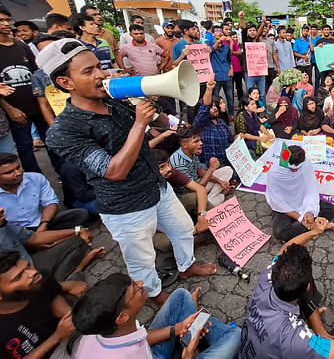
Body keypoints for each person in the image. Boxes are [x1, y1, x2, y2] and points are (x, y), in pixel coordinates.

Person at [41, 39, 215, 306]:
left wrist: (164, 116)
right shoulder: (63, 131)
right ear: (66, 83)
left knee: (182, 229)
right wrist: (139, 124)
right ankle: (154, 294)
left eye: (99, 67)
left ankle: (186, 265)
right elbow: (114, 171)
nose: (101, 75)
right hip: (126, 206)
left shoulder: (114, 100)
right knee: (141, 258)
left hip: (157, 187)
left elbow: (159, 119)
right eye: (88, 72)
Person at [240, 218, 334, 359]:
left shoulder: (267, 276)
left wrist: (314, 231)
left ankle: (322, 333)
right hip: (284, 339)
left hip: (257, 346)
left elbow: (284, 249)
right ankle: (329, 338)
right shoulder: (295, 338)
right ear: (308, 288)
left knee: (299, 276)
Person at [72, 274, 240, 359]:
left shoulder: (99, 331)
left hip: (149, 354)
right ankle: (191, 347)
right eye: (136, 289)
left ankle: (189, 339)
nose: (141, 284)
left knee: (181, 296)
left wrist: (177, 328)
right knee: (236, 336)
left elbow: (137, 338)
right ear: (122, 316)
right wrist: (188, 355)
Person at [0, 251, 87, 358]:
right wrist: (57, 337)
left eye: (28, 266)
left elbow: (53, 294)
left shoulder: (40, 279)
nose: (32, 273)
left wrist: (68, 314)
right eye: (18, 277)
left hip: (65, 334)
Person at [0, 8, 54, 173]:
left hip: (38, 105)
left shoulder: (22, 46)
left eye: (8, 20)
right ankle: (35, 183)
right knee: (25, 150)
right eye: (1, 20)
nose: (6, 24)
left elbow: (37, 71)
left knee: (53, 143)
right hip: (16, 112)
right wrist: (10, 109)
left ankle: (68, 182)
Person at [0, 206, 103, 282]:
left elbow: (33, 237)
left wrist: (77, 230)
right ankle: (75, 272)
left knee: (77, 241)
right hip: (20, 280)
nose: (1, 209)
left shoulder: (3, 225)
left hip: (30, 264)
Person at [265, 146, 334, 241]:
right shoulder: (275, 173)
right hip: (285, 208)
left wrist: (310, 211)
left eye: (298, 168)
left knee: (331, 209)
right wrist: (300, 218)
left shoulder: (306, 164)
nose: (295, 171)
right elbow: (277, 201)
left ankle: (309, 226)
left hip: (303, 200)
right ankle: (320, 226)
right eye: (292, 169)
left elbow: (311, 189)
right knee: (280, 232)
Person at [0, 153, 88, 230]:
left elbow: (50, 203)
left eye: (18, 167)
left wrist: (44, 224)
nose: (18, 173)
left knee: (80, 214)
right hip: (14, 233)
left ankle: (46, 240)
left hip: (41, 223)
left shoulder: (36, 178)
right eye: (9, 172)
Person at [170, 126, 233, 207]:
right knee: (210, 203)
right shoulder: (178, 163)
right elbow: (195, 189)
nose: (201, 143)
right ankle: (219, 196)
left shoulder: (191, 152)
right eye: (196, 141)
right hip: (190, 195)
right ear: (185, 145)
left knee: (227, 170)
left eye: (200, 140)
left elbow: (201, 172)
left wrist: (220, 181)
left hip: (199, 183)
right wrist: (211, 169)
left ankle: (210, 198)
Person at [192, 79, 234, 165]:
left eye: (215, 106)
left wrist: (237, 137)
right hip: (210, 164)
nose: (215, 108)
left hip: (226, 160)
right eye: (211, 107)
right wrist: (209, 89)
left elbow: (230, 139)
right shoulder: (201, 124)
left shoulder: (221, 122)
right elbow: (204, 108)